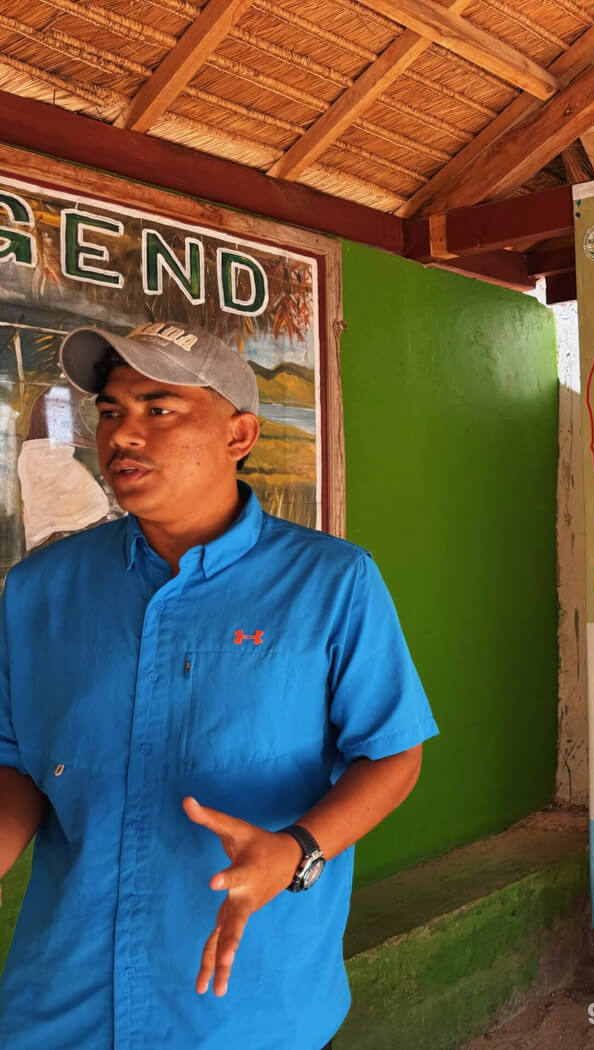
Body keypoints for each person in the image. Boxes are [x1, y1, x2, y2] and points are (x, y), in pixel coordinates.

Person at [0, 321, 438, 1049]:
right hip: (64, 1002)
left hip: (245, 1005)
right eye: (110, 411)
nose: (122, 433)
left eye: (158, 408)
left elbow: (393, 754)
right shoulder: (39, 590)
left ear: (239, 435)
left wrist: (297, 850)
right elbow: (15, 761)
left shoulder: (331, 582)